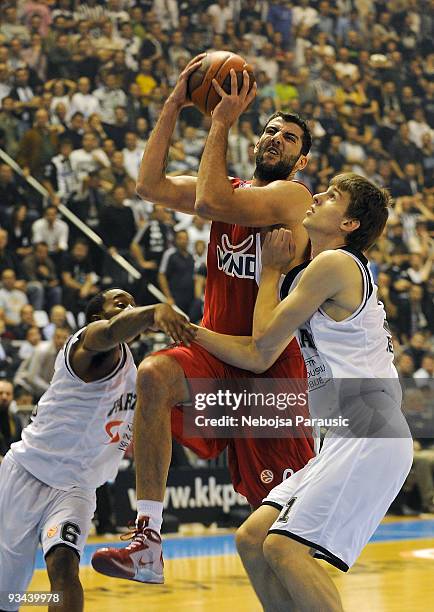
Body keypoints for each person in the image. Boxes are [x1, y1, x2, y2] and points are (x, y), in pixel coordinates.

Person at [92, 56, 316, 582]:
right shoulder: (231, 187)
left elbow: (212, 199)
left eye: (288, 138)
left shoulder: (294, 198)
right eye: (269, 130)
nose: (275, 138)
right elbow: (148, 185)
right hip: (215, 353)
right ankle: (147, 538)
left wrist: (218, 120)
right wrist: (175, 102)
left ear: (302, 160)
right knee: (152, 373)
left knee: (281, 535)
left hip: (267, 372)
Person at [189, 174, 413, 611]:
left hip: (369, 427)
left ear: (349, 223)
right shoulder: (314, 276)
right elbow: (258, 355)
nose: (318, 197)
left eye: (332, 197)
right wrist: (191, 331)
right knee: (254, 540)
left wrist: (269, 271)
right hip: (342, 434)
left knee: (285, 548)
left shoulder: (338, 264)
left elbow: (261, 342)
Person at [0, 290, 194, 612]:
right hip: (27, 476)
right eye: (120, 304)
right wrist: (152, 312)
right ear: (95, 317)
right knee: (8, 596)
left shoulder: (140, 374)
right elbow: (109, 332)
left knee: (64, 566)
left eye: (133, 303)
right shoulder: (85, 345)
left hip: (76, 489)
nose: (130, 307)